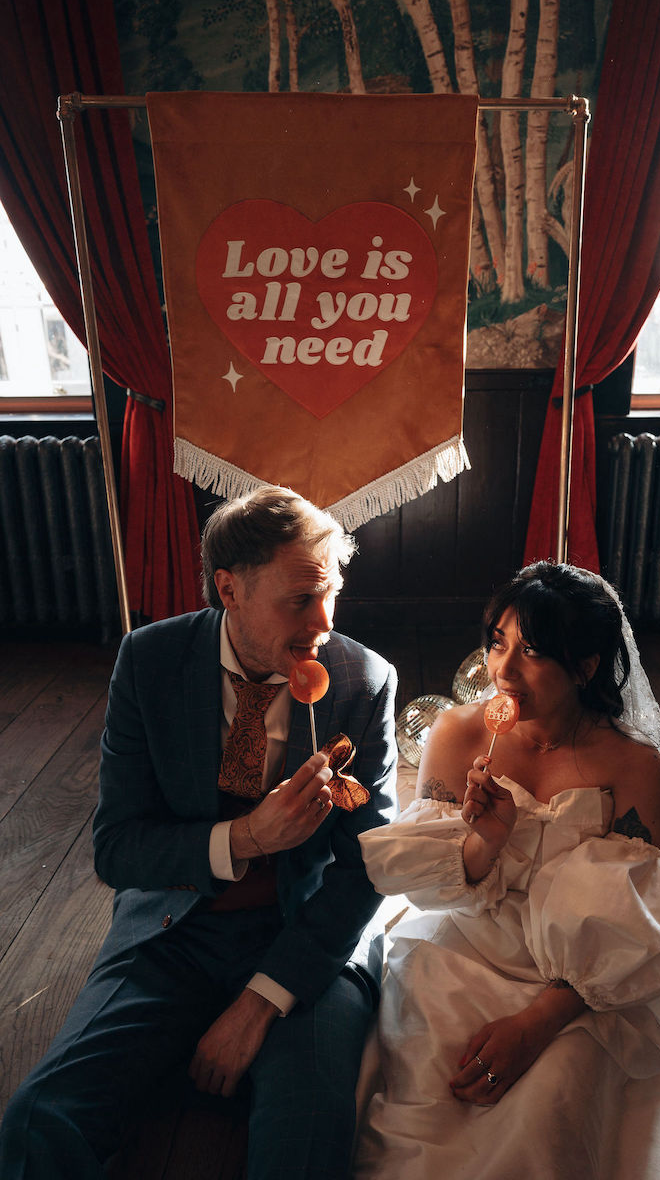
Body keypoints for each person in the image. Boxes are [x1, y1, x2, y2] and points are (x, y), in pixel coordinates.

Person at [0, 484, 398, 1180]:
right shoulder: (150, 661)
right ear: (229, 589)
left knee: (305, 1138)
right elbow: (118, 849)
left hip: (305, 937)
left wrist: (260, 1001)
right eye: (299, 599)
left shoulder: (360, 679)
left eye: (330, 591)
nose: (323, 622)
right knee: (40, 1119)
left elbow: (366, 866)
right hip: (172, 928)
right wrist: (245, 839)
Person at [353, 562, 660, 1180]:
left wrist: (537, 1023)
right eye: (497, 643)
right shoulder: (457, 734)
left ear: (586, 666)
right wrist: (485, 842)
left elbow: (631, 919)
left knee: (548, 1107)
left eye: (532, 651)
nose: (503, 671)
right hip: (459, 942)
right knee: (428, 1084)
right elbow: (432, 887)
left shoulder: (631, 766)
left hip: (575, 984)